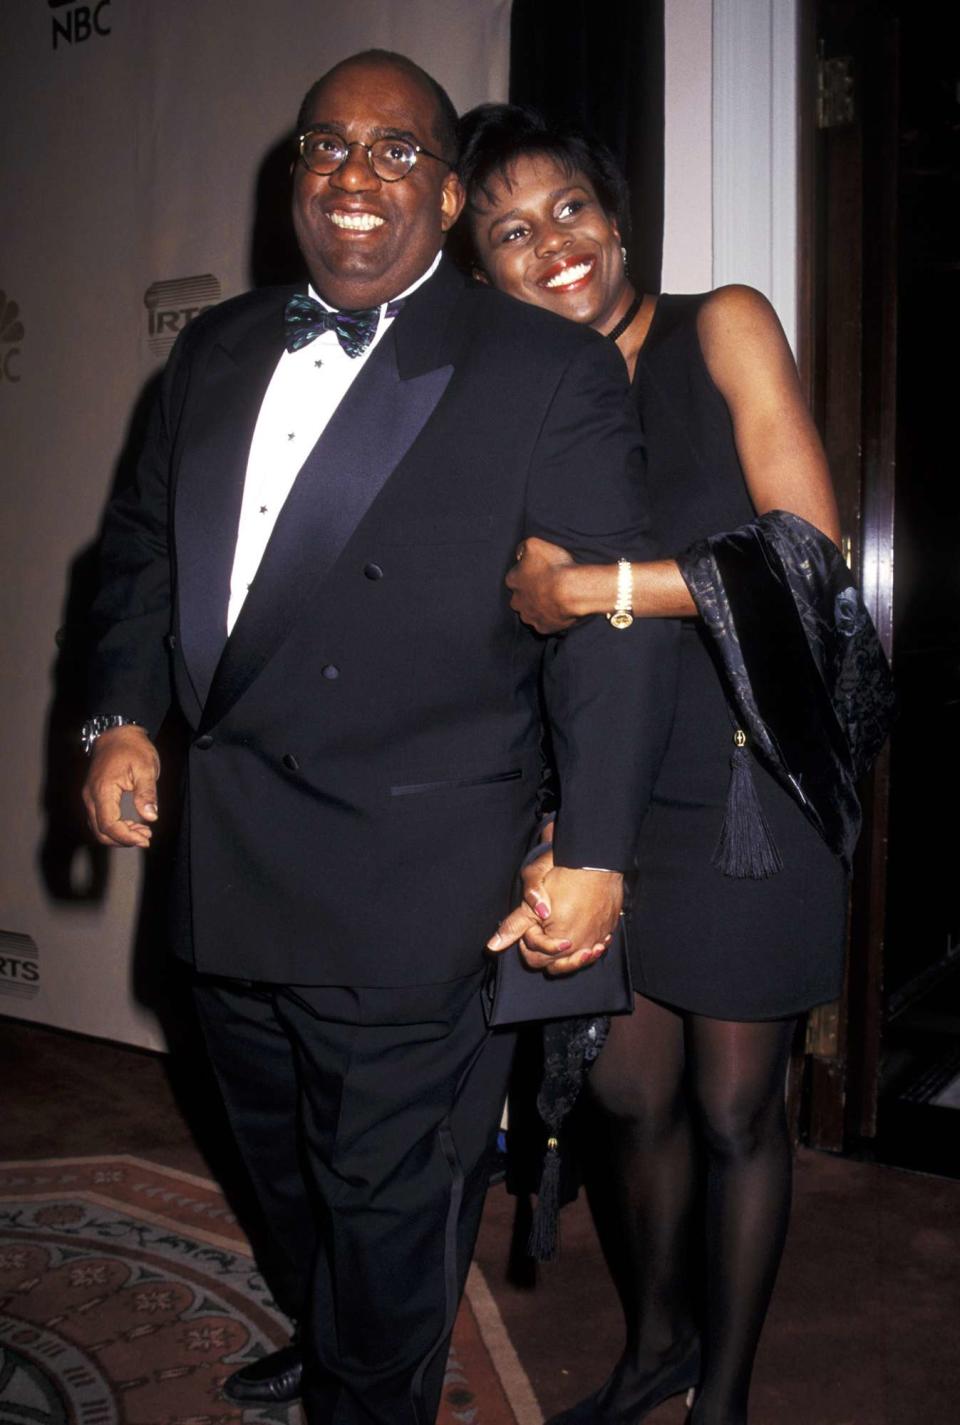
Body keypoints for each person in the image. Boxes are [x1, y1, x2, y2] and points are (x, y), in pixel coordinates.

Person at [80, 54, 677, 1425]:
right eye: (326, 147)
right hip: (226, 865)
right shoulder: (217, 353)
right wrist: (120, 711)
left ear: (453, 192)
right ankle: (334, 1321)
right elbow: (136, 554)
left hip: (415, 881)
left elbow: (610, 621)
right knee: (280, 1168)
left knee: (390, 1202)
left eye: (399, 150)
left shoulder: (542, 368)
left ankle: (370, 1382)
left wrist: (594, 849)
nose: (355, 176)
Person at [459, 104, 853, 1425]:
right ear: (483, 269)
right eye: (512, 229)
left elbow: (807, 555)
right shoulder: (517, 406)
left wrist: (589, 586)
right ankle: (658, 1345)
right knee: (630, 1096)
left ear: (617, 216)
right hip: (608, 798)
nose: (552, 243)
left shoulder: (720, 323)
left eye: (570, 207)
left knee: (739, 1107)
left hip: (748, 785)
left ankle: (724, 1397)